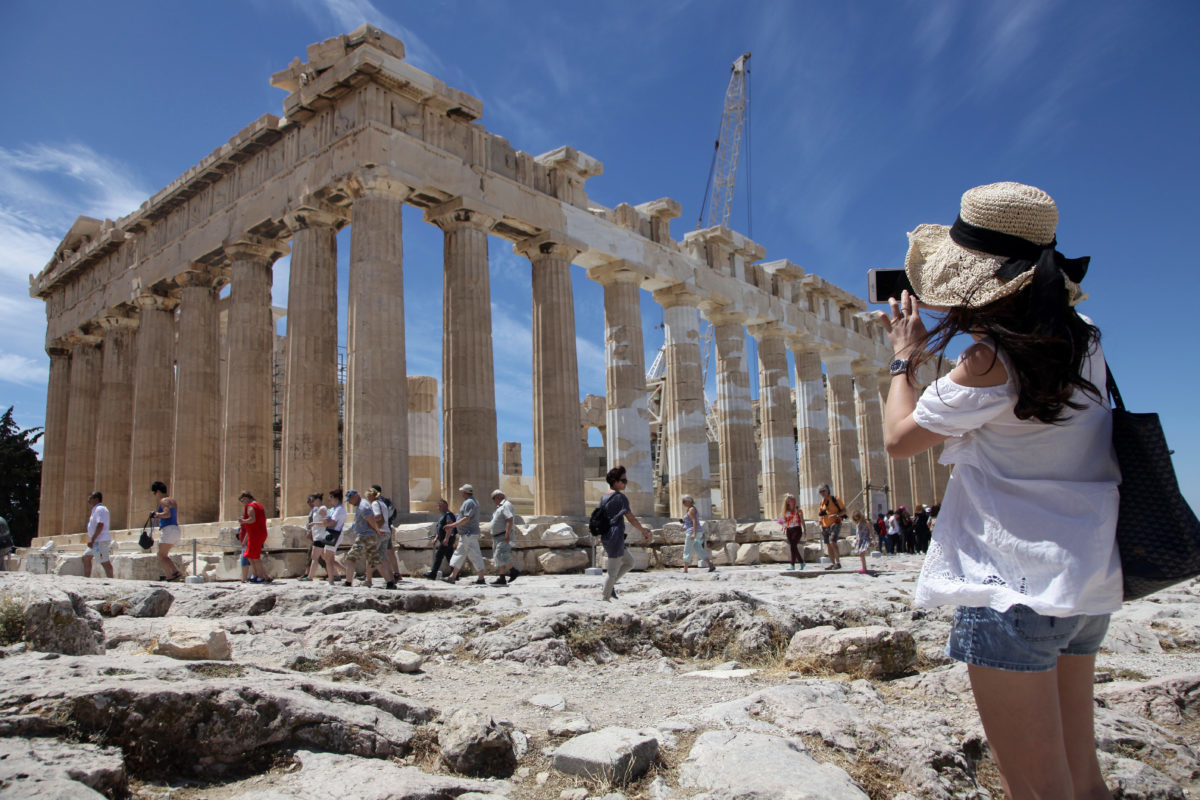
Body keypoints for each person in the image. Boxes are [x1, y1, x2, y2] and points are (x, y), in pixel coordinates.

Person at [879, 181, 1120, 799]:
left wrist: (903, 360)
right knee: (1082, 780)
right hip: (1086, 580)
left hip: (1012, 589)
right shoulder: (1084, 335)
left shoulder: (989, 360)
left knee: (1037, 790)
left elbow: (900, 440)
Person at [598, 465, 650, 601]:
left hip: (607, 535)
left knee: (630, 562)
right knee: (612, 571)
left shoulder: (604, 498)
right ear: (615, 481)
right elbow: (630, 518)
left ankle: (609, 586)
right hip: (615, 535)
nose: (625, 483)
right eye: (623, 480)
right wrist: (643, 530)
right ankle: (605, 597)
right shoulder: (620, 498)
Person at [343, 488, 392, 589]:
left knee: (350, 558)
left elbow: (370, 519)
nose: (349, 503)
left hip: (364, 540)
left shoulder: (363, 506)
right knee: (375, 561)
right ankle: (390, 582)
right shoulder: (364, 504)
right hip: (370, 539)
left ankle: (348, 582)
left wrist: (377, 530)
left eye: (350, 500)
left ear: (355, 496)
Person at [442, 485, 485, 584]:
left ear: (465, 492)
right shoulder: (473, 501)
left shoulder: (469, 502)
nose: (461, 493)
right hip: (468, 534)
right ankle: (453, 576)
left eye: (462, 492)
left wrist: (452, 525)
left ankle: (480, 578)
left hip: (468, 534)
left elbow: (466, 518)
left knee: (470, 554)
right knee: (462, 553)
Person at [151, 481, 182, 581]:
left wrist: (156, 514)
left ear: (158, 491)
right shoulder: (173, 500)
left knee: (161, 555)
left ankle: (169, 576)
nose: (154, 495)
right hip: (175, 529)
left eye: (154, 493)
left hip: (168, 529)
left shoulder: (163, 501)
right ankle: (175, 572)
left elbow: (167, 514)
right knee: (164, 555)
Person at [487, 489, 520, 586]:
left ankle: (513, 571)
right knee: (497, 557)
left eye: (493, 498)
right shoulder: (500, 507)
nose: (493, 501)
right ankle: (502, 578)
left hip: (503, 535)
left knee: (501, 555)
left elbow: (509, 519)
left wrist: (507, 533)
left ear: (498, 497)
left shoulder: (505, 505)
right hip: (497, 536)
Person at [370, 485, 401, 586]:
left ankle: (368, 577)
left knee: (373, 554)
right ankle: (395, 574)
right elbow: (394, 514)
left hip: (380, 530)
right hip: (388, 528)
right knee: (388, 553)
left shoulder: (376, 502)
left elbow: (377, 516)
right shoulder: (387, 501)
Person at [238, 491, 271, 583]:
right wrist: (245, 540)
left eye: (242, 501)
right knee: (250, 555)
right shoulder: (259, 505)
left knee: (255, 557)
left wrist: (243, 521)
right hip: (257, 533)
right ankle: (255, 575)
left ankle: (260, 576)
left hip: (256, 534)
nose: (243, 503)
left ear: (245, 498)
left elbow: (252, 519)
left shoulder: (251, 506)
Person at [82, 491, 113, 578]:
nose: (89, 499)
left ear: (96, 499)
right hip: (96, 544)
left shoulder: (100, 509)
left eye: (90, 498)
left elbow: (100, 525)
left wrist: (93, 540)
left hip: (100, 542)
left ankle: (112, 581)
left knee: (104, 561)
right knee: (86, 557)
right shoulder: (95, 510)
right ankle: (86, 579)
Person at [425, 498, 457, 580]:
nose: (438, 508)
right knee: (450, 557)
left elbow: (450, 526)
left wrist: (446, 539)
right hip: (444, 539)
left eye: (440, 506)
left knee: (439, 555)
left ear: (445, 506)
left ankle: (433, 573)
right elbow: (439, 528)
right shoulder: (443, 516)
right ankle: (455, 574)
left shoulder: (448, 515)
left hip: (447, 539)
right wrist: (436, 538)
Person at [300, 493, 329, 581]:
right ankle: (337, 573)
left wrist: (313, 524)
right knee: (324, 557)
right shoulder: (317, 509)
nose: (311, 502)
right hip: (317, 536)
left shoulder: (322, 509)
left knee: (314, 557)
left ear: (318, 500)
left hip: (320, 536)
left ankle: (309, 576)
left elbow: (326, 522)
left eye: (313, 500)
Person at [679, 494, 712, 573]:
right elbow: (691, 520)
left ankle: (685, 569)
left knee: (687, 550)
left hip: (692, 532)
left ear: (689, 501)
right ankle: (711, 565)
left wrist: (694, 533)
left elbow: (694, 521)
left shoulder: (691, 510)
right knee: (699, 550)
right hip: (696, 532)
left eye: (684, 501)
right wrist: (683, 521)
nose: (682, 503)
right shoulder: (692, 509)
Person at [816, 484, 845, 570]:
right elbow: (820, 514)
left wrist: (836, 515)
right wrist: (820, 521)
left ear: (828, 490)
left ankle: (838, 562)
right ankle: (832, 563)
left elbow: (844, 511)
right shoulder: (821, 502)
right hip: (825, 525)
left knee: (833, 542)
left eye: (823, 491)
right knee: (828, 544)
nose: (822, 493)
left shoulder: (835, 499)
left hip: (835, 523)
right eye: (820, 492)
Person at [322, 489, 348, 584]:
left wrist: (325, 523)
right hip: (332, 533)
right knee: (329, 558)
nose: (329, 499)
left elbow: (332, 522)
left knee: (328, 558)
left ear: (336, 498)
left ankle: (331, 581)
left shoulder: (339, 509)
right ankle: (348, 572)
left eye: (331, 497)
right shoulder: (335, 509)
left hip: (334, 534)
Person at [780, 494, 806, 570]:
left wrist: (805, 530)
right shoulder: (786, 512)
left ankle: (793, 564)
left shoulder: (798, 510)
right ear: (787, 502)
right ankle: (800, 563)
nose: (792, 502)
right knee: (793, 547)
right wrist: (782, 524)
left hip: (797, 529)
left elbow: (802, 521)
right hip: (789, 530)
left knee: (793, 546)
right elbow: (782, 520)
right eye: (790, 501)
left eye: (793, 500)